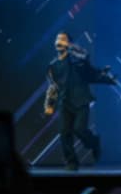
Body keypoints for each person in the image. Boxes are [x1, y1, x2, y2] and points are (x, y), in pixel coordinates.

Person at [43, 31, 115, 171]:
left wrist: (71, 48)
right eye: (57, 39)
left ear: (68, 43)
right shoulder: (52, 66)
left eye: (63, 39)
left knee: (79, 129)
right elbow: (52, 86)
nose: (59, 41)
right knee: (64, 133)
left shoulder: (76, 60)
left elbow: (84, 56)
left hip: (81, 100)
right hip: (64, 102)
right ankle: (71, 161)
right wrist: (49, 105)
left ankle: (94, 143)